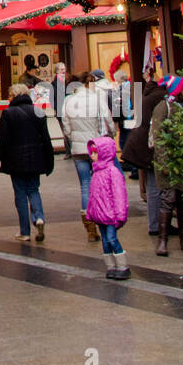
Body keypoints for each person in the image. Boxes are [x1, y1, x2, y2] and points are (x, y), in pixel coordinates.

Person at [0, 82, 54, 242]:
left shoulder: (8, 113)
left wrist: (2, 157)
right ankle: (39, 217)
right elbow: (46, 138)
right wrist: (49, 160)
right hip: (36, 158)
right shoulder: (38, 111)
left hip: (16, 160)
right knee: (34, 189)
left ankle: (25, 231)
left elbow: (3, 140)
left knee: (20, 194)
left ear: (14, 96)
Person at [62, 70, 116, 241]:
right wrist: (111, 135)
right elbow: (107, 120)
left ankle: (89, 225)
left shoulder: (68, 101)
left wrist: (73, 139)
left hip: (79, 149)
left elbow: (66, 125)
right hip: (97, 148)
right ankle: (104, 216)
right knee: (101, 184)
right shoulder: (96, 99)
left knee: (85, 185)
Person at [149, 75, 183, 256]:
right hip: (168, 162)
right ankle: (163, 241)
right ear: (178, 90)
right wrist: (165, 162)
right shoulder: (163, 107)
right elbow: (158, 137)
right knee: (168, 199)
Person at [121, 72, 163, 238]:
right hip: (149, 147)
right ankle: (157, 225)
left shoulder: (149, 95)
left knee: (153, 186)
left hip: (141, 144)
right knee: (155, 186)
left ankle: (156, 224)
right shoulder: (161, 98)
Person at [86, 136, 130, 279]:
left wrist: (120, 214)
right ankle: (111, 266)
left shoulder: (112, 172)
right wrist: (91, 212)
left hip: (111, 214)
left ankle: (122, 266)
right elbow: (93, 196)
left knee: (111, 238)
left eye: (95, 152)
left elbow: (119, 194)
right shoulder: (96, 172)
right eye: (91, 152)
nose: (92, 155)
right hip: (101, 214)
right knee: (106, 241)